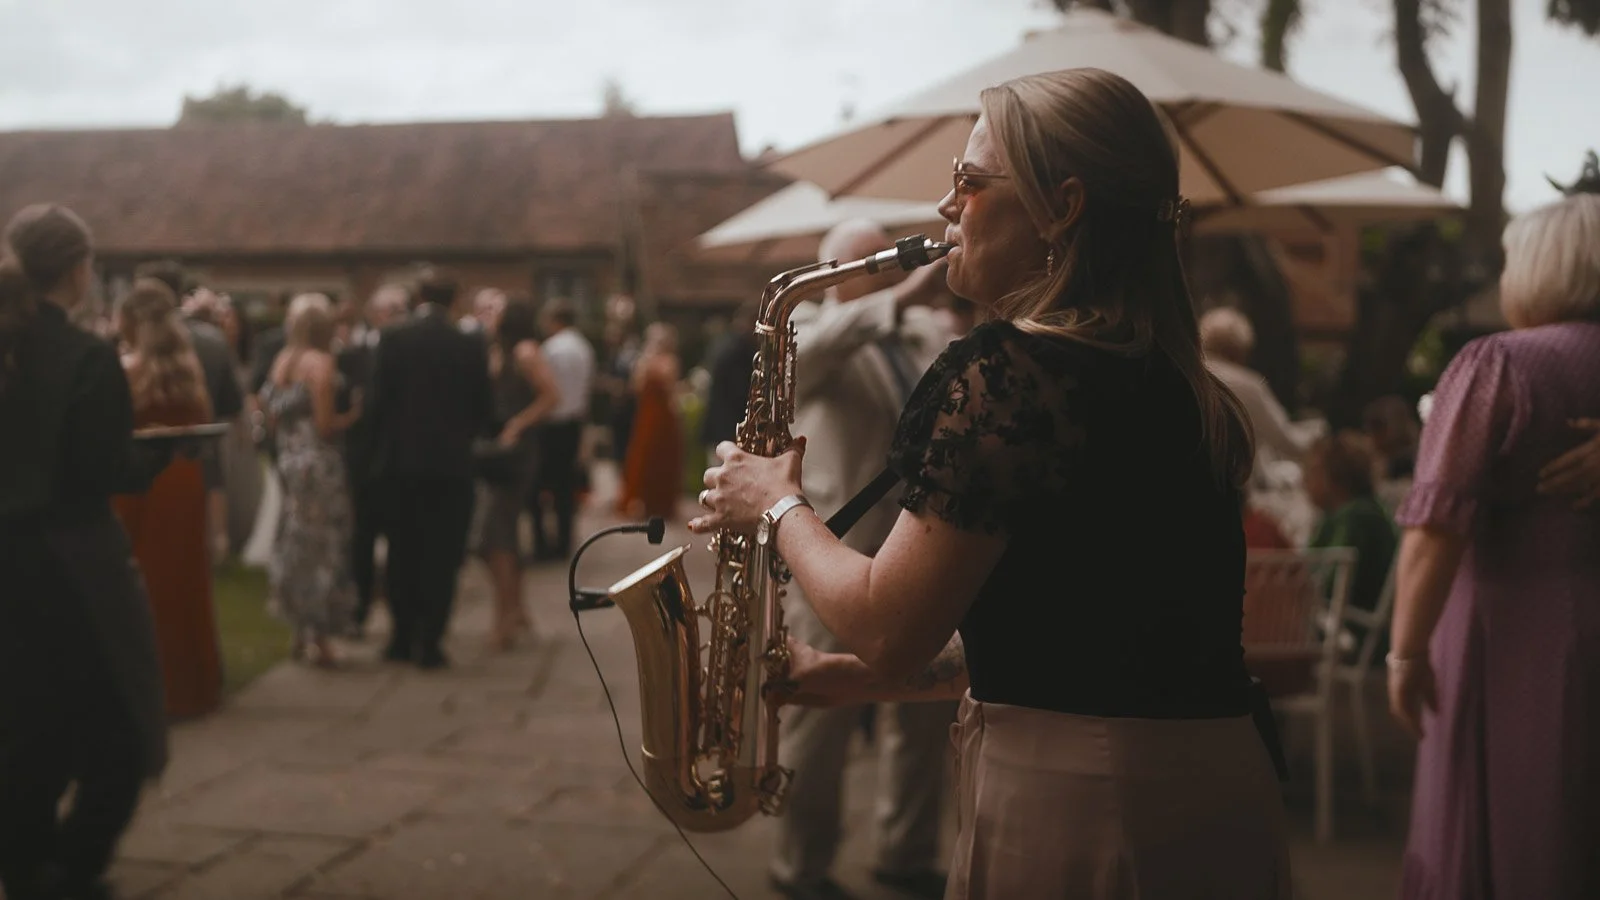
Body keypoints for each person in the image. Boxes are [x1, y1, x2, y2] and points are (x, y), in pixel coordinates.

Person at [693, 68, 1290, 899]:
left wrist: (776, 502)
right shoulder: (1186, 386)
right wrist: (855, 680)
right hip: (1220, 797)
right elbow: (1088, 635)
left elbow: (888, 630)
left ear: (1062, 206)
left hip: (1081, 809)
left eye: (969, 182)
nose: (946, 206)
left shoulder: (1008, 374)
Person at [1387, 191, 1600, 899]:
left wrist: (1405, 651)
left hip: (1510, 640)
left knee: (1506, 830)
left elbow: (1437, 525)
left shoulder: (1498, 363)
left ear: (1539, 268)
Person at [761, 218, 955, 900]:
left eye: (887, 263)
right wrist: (897, 298)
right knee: (819, 717)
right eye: (867, 264)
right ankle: (800, 867)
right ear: (830, 274)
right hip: (834, 552)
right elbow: (815, 353)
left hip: (919, 550)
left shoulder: (921, 332)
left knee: (925, 713)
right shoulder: (803, 329)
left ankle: (906, 853)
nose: (886, 273)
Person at [0, 204, 171, 900]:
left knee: (23, 723)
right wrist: (157, 459)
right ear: (78, 270)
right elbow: (102, 469)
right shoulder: (86, 357)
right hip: (73, 562)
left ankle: (25, 869)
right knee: (123, 727)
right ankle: (70, 869)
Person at [365, 268, 493, 668]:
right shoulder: (469, 344)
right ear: (454, 301)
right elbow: (483, 407)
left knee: (402, 550)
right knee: (442, 554)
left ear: (418, 296)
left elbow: (376, 404)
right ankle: (431, 641)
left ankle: (401, 637)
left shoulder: (392, 338)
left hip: (401, 465)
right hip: (451, 466)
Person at [111, 278, 223, 721]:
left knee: (146, 584)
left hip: (141, 484)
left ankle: (153, 688)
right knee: (185, 579)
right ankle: (193, 684)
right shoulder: (187, 368)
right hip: (183, 481)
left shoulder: (127, 369)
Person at [261, 294, 363, 667]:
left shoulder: (282, 361)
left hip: (289, 459)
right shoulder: (320, 363)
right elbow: (324, 425)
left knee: (295, 541)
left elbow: (272, 417)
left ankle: (298, 630)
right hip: (318, 464)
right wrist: (352, 416)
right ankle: (321, 638)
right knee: (324, 546)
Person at [477, 293, 560, 650]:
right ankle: (516, 610)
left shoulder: (525, 351)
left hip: (516, 452)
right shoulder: (498, 349)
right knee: (503, 533)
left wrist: (518, 424)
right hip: (499, 450)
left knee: (494, 536)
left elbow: (551, 396)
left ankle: (505, 617)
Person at [337, 283, 410, 633]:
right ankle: (359, 610)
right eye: (389, 311)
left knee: (402, 544)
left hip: (402, 464)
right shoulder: (352, 356)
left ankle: (401, 618)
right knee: (361, 542)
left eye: (400, 312)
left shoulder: (414, 356)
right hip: (363, 464)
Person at [1200, 306, 1322, 481]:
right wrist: (1320, 439)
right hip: (1239, 484)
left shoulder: (1190, 378)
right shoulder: (1247, 384)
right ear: (1239, 350)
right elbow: (1287, 441)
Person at [529, 298, 594, 560]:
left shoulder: (552, 348)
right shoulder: (583, 347)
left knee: (539, 485)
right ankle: (564, 541)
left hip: (552, 423)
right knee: (565, 486)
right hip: (573, 422)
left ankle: (543, 543)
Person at [617, 322, 684, 519]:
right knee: (642, 457)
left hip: (663, 416)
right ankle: (638, 501)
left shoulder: (670, 360)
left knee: (662, 458)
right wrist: (646, 359)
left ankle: (660, 504)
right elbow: (636, 385)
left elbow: (671, 386)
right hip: (646, 415)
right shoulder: (644, 359)